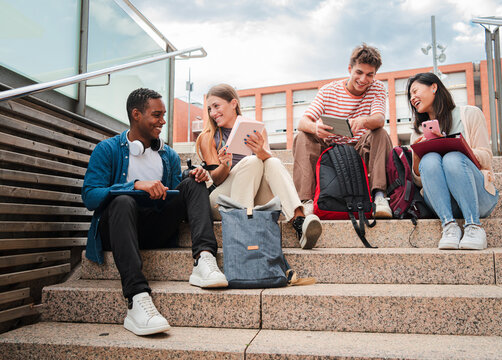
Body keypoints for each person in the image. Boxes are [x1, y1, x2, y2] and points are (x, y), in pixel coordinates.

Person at [82, 88, 228, 336]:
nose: (162, 121)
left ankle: (204, 259)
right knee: (122, 201)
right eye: (156, 115)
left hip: (155, 229)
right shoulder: (107, 150)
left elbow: (173, 191)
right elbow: (90, 196)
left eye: (164, 115)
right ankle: (137, 297)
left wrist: (194, 175)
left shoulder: (167, 154)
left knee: (193, 183)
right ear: (136, 114)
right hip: (117, 231)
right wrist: (134, 185)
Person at [195, 84, 322, 249]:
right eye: (210, 109)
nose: (213, 113)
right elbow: (216, 179)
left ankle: (299, 222)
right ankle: (243, 229)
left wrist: (260, 151)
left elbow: (269, 165)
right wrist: (226, 165)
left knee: (272, 161)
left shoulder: (256, 129)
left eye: (216, 106)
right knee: (252, 161)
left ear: (233, 103)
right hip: (222, 201)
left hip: (254, 196)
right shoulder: (209, 136)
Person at [293, 43, 393, 218]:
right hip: (331, 149)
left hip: (360, 148)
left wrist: (363, 121)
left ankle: (379, 197)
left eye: (370, 75)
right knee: (302, 136)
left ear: (375, 75)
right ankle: (306, 202)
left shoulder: (377, 88)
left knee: (380, 132)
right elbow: (303, 122)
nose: (363, 80)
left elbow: (379, 119)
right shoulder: (328, 91)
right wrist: (316, 128)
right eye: (359, 72)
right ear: (350, 69)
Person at [407, 72, 499, 250]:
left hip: (478, 197)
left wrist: (459, 148)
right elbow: (419, 180)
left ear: (434, 87)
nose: (412, 98)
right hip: (444, 204)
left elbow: (487, 157)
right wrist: (418, 157)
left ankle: (474, 226)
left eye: (415, 91)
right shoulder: (419, 131)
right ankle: (449, 226)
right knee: (430, 160)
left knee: (452, 158)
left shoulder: (470, 114)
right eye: (410, 95)